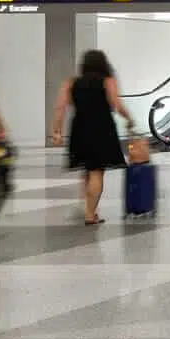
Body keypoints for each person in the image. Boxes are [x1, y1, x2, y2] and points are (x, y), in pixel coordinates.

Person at [50, 49, 134, 225]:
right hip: (102, 128)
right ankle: (90, 214)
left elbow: (60, 108)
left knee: (87, 170)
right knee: (97, 172)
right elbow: (117, 105)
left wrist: (56, 131)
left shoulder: (70, 83)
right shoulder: (108, 82)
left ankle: (89, 208)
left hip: (79, 128)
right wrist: (129, 119)